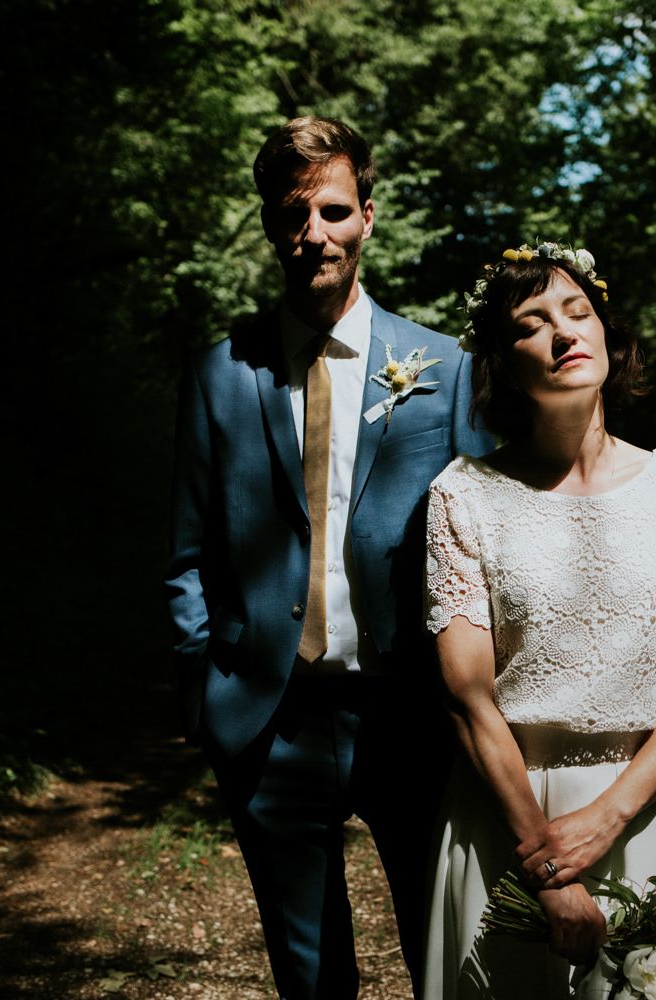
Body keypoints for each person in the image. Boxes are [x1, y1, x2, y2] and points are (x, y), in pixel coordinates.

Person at [165, 116, 491, 1000]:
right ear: (273, 226)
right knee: (310, 980)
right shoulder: (218, 373)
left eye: (334, 211)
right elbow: (185, 554)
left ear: (369, 218)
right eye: (292, 215)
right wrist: (205, 688)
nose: (315, 234)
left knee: (447, 959)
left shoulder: (444, 368)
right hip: (273, 721)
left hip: (414, 717)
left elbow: (486, 543)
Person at [421, 242, 656, 999]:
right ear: (503, 359)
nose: (564, 333)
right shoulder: (466, 494)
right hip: (510, 816)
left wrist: (609, 819)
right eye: (533, 323)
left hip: (641, 810)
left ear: (605, 332)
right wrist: (546, 864)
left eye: (577, 311)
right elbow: (469, 700)